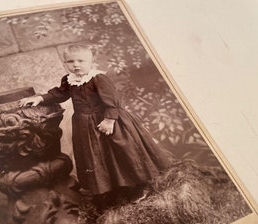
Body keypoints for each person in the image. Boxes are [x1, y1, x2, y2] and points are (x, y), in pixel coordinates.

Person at [19, 44, 171, 207]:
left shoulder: (98, 78)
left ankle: (138, 187)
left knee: (121, 153)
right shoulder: (69, 80)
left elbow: (113, 101)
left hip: (107, 121)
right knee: (97, 158)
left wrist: (109, 120)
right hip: (84, 125)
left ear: (92, 61)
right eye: (70, 62)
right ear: (65, 63)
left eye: (81, 61)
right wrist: (40, 98)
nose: (76, 65)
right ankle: (112, 190)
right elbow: (59, 94)